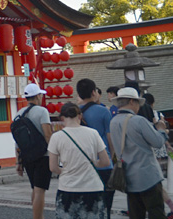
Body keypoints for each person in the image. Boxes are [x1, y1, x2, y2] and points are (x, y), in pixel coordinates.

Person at [109, 87, 170, 219]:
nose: (138, 107)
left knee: (136, 214)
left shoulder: (113, 122)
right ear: (132, 102)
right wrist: (161, 129)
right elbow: (158, 142)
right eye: (137, 103)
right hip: (147, 175)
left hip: (128, 177)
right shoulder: (138, 120)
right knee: (156, 211)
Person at [48, 103, 111, 219]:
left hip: (68, 187)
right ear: (80, 116)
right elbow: (106, 161)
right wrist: (94, 163)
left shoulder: (56, 137)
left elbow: (53, 167)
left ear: (62, 118)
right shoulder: (93, 133)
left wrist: (66, 171)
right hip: (93, 187)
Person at [77, 78, 115, 219]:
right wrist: (113, 156)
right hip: (103, 162)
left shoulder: (74, 113)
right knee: (106, 201)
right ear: (94, 92)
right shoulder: (104, 111)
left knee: (87, 202)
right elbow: (109, 137)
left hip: (83, 163)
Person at [14, 83, 53, 219]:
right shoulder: (42, 111)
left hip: (27, 156)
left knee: (35, 188)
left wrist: (18, 162)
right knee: (40, 190)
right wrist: (56, 154)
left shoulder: (19, 114)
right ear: (37, 96)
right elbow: (48, 135)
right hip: (43, 155)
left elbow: (17, 141)